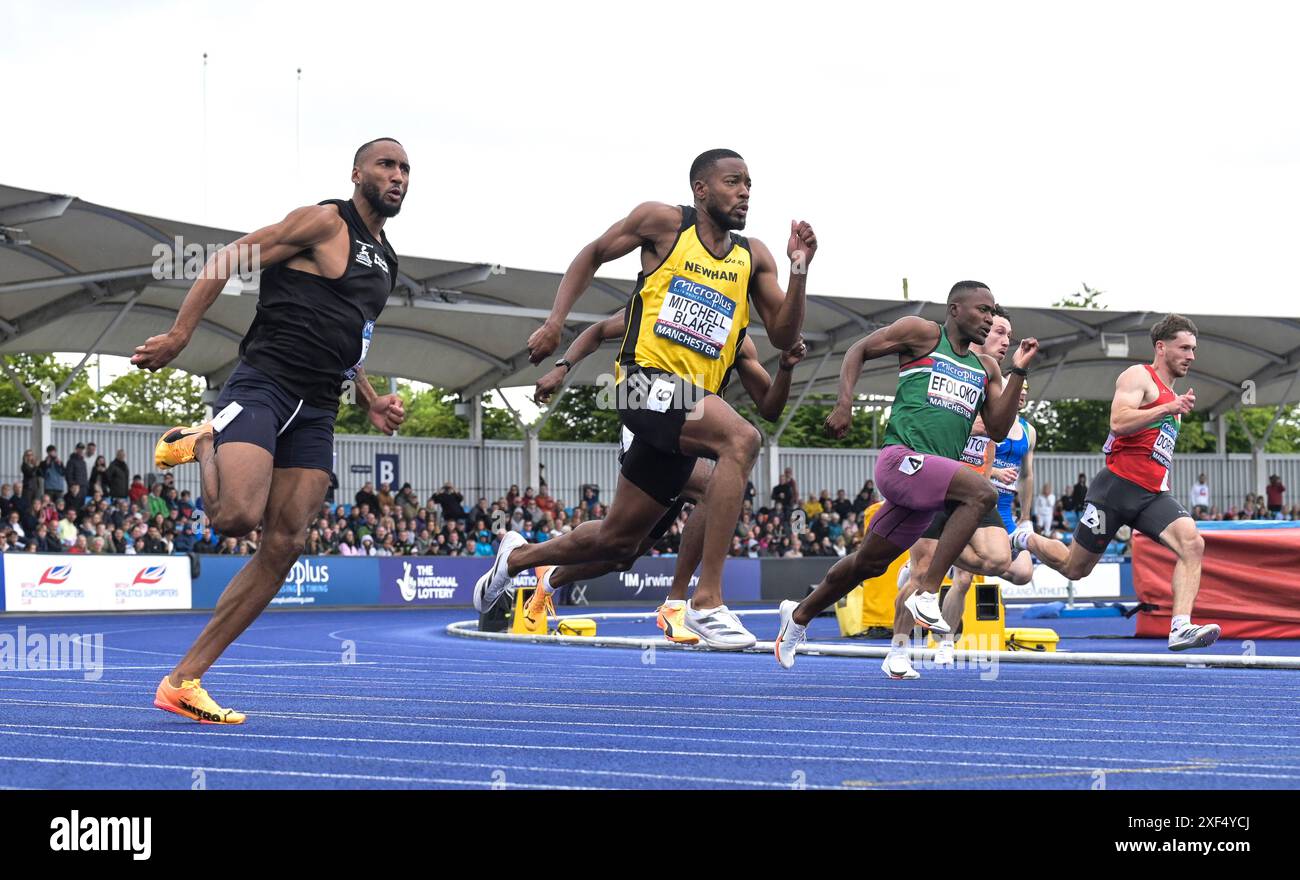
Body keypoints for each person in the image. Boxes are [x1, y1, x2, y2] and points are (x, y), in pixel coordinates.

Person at [475, 149, 817, 649]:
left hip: (686, 412)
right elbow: (593, 254)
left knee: (619, 543)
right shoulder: (664, 224)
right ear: (701, 189)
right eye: (733, 181)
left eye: (749, 184)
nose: (745, 192)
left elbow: (785, 336)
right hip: (639, 384)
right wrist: (555, 326)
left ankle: (517, 559)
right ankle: (703, 602)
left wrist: (799, 269)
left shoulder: (754, 257)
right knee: (742, 439)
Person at [130, 138, 410, 723]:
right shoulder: (324, 222)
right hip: (266, 383)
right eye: (386, 165)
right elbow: (227, 258)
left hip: (320, 407)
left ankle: (183, 681)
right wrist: (180, 334)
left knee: (285, 543)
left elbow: (351, 334)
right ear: (357, 172)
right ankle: (204, 441)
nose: (398, 176)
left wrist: (370, 400)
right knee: (235, 518)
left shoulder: (388, 261)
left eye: (405, 169)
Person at [773, 281, 1038, 672]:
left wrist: (1019, 369)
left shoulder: (985, 369)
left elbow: (998, 429)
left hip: (933, 486)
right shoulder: (923, 334)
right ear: (955, 309)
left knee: (868, 564)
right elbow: (858, 349)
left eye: (992, 311)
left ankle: (797, 617)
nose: (988, 318)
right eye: (982, 310)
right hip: (902, 461)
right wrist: (845, 403)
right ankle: (927, 592)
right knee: (982, 493)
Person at [524, 309, 807, 646]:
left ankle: (543, 572)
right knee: (711, 487)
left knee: (623, 551)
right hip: (647, 412)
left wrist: (786, 368)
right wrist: (562, 367)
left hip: (689, 431)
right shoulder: (664, 299)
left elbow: (770, 408)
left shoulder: (739, 340)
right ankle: (678, 604)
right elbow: (598, 330)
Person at [1011, 314, 1220, 651]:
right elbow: (1119, 421)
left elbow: (1156, 451)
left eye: (1193, 349)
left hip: (1152, 494)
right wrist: (1166, 408)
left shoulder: (1173, 399)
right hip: (1116, 488)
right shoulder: (1139, 376)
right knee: (1074, 568)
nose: (1191, 356)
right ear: (1161, 347)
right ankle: (1025, 538)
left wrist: (1170, 408)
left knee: (1192, 544)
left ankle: (1180, 626)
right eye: (1184, 348)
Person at [894, 306, 1040, 676]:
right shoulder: (952, 366)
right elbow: (944, 421)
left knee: (1000, 561)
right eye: (999, 332)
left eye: (1008, 335)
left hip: (974, 490)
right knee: (922, 574)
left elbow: (995, 436)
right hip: (937, 482)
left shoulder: (994, 378)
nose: (1005, 341)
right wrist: (981, 424)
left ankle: (934, 563)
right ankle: (898, 650)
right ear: (980, 330)